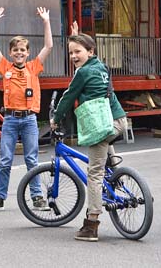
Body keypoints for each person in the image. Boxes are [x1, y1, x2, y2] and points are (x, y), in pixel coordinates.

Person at [51, 33, 128, 242]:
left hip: (102, 125)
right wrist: (78, 33)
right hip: (119, 120)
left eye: (78, 51)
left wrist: (56, 118)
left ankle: (91, 225)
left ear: (90, 52)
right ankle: (116, 177)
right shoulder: (101, 66)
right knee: (103, 150)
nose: (73, 55)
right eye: (71, 52)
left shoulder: (82, 73)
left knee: (94, 174)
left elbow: (68, 97)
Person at [0, 6, 53, 212]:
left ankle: (37, 197)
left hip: (29, 119)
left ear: (28, 52)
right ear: (11, 53)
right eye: (15, 50)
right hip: (10, 119)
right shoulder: (5, 67)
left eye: (23, 50)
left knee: (32, 160)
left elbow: (49, 46)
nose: (19, 53)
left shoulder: (34, 67)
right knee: (5, 160)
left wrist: (46, 22)